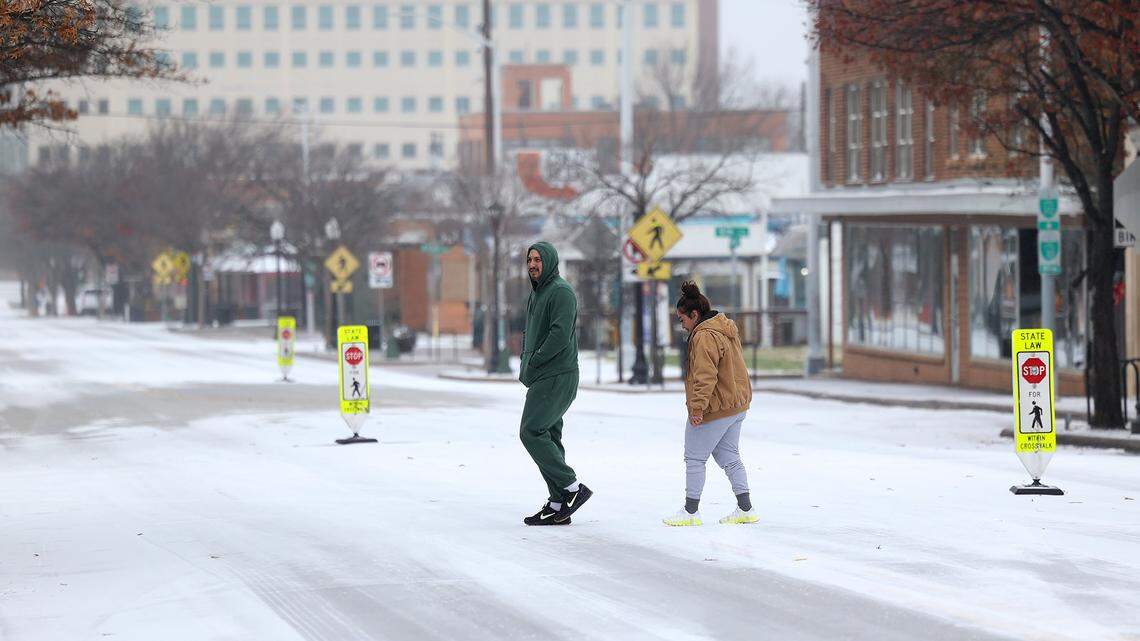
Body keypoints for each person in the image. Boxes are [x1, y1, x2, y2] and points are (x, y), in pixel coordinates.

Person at [664, 281, 758, 526]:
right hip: (736, 404)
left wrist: (697, 408)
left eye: (683, 319)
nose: (682, 324)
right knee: (729, 456)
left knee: (695, 457)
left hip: (715, 407)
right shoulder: (724, 328)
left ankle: (690, 512)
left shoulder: (704, 336)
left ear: (694, 315)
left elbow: (705, 376)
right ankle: (746, 508)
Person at [518, 242, 593, 526]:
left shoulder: (561, 292)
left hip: (557, 375)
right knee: (549, 435)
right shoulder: (538, 294)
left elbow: (560, 335)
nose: (533, 264)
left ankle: (572, 488)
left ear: (550, 262)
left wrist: (535, 360)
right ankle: (558, 502)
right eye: (530, 260)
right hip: (543, 375)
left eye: (538, 259)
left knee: (531, 431)